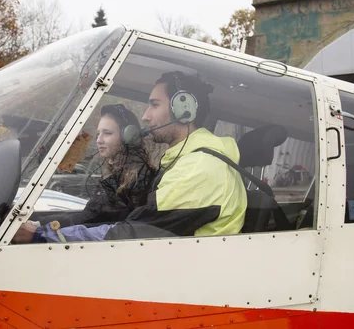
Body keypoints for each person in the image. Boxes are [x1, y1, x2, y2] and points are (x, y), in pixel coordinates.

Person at [13, 71, 246, 243]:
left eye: (154, 105)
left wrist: (44, 235)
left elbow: (133, 233)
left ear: (183, 109)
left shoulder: (199, 167)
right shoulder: (189, 160)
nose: (145, 117)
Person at [35, 104, 158, 228]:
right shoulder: (123, 173)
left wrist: (39, 226)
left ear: (129, 137)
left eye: (107, 133)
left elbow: (87, 219)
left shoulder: (138, 178)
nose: (99, 140)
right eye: (98, 133)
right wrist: (40, 223)